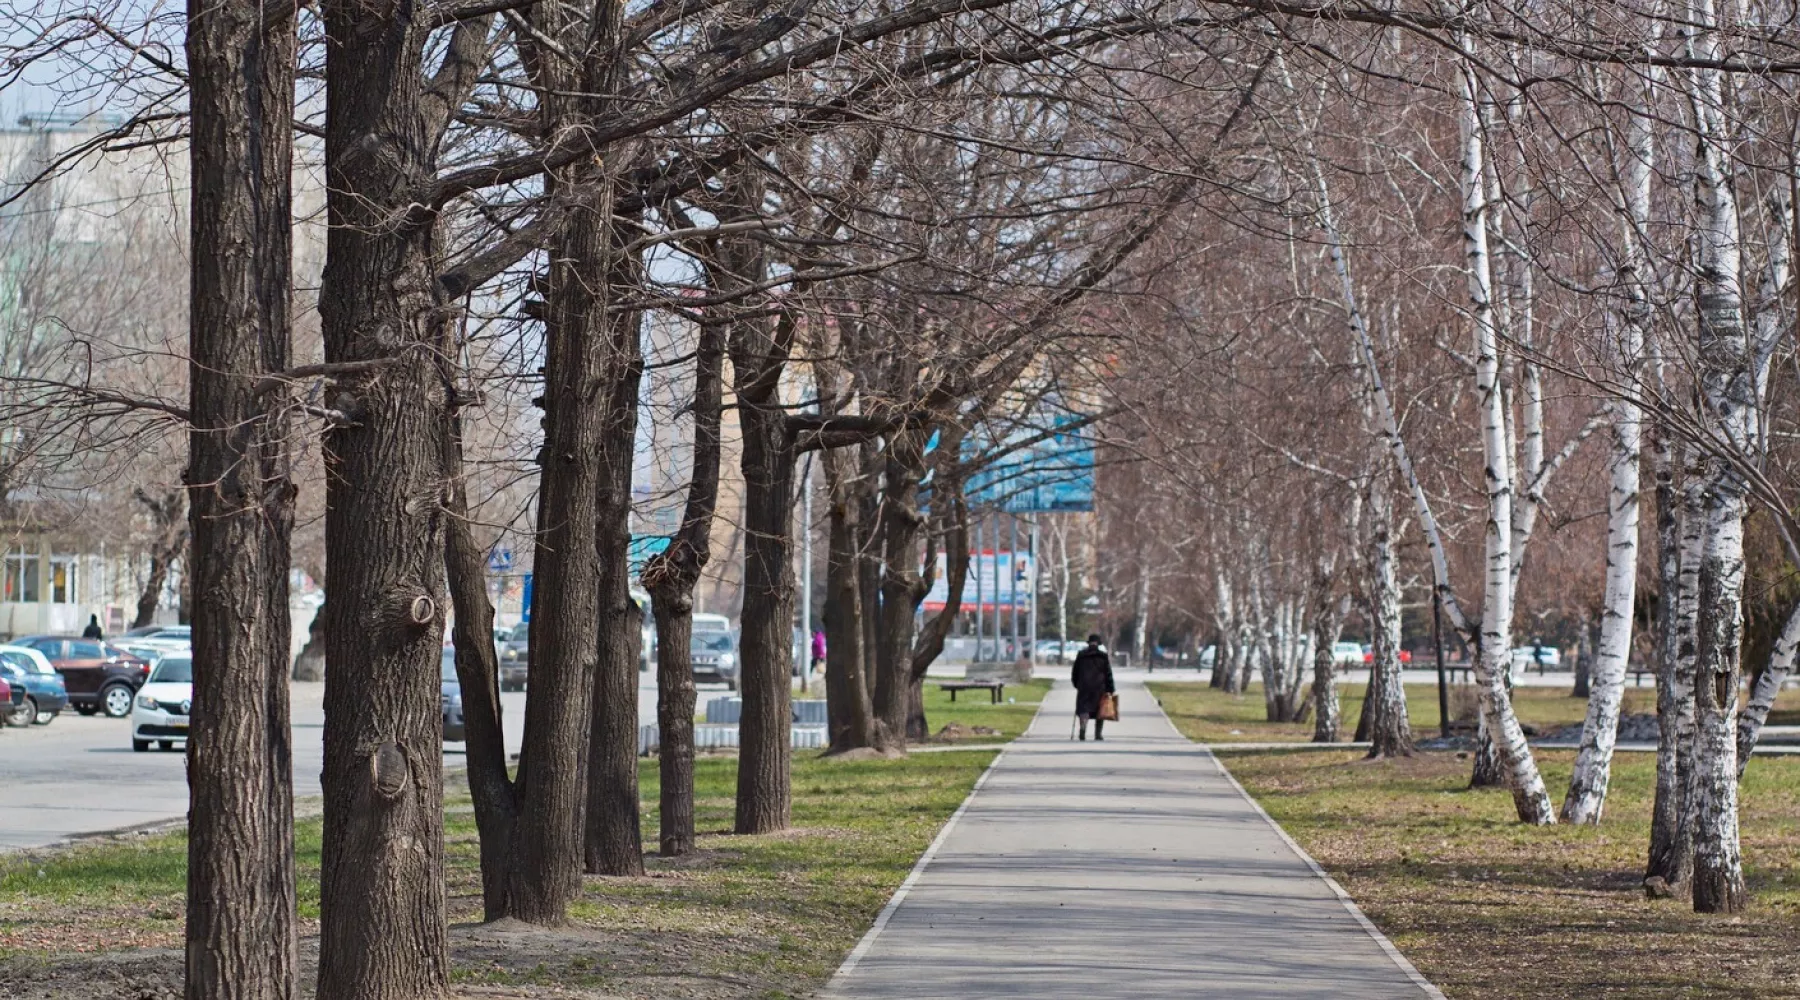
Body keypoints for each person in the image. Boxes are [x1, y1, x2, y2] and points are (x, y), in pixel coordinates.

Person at [1071, 633, 1115, 741]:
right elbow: (1108, 673)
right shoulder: (1103, 656)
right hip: (1100, 687)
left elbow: (1075, 672)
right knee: (1100, 710)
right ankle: (1098, 734)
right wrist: (1110, 688)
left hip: (1084, 687)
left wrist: (1077, 684)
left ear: (1089, 643)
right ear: (1098, 644)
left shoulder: (1081, 655)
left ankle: (1082, 729)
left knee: (1083, 710)